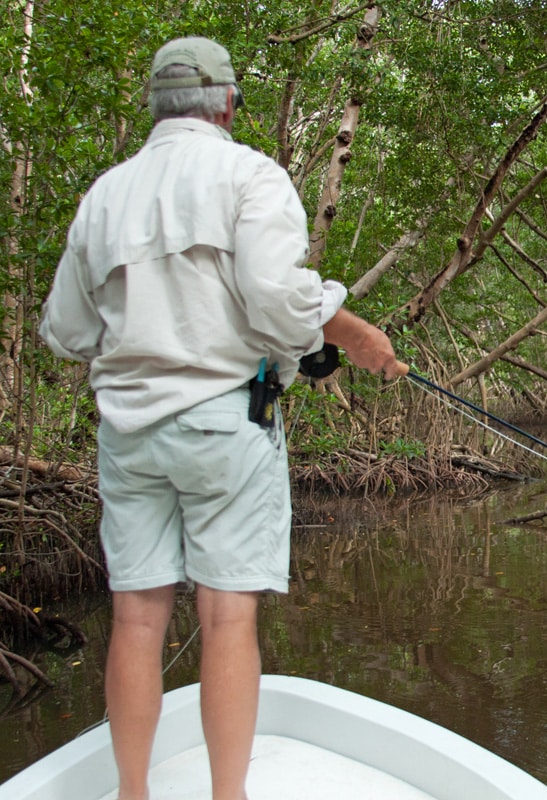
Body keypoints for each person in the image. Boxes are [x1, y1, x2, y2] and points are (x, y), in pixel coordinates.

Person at [38, 36, 407, 800]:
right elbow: (277, 298)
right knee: (227, 621)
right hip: (223, 428)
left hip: (128, 435)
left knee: (137, 621)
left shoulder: (104, 195)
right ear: (228, 104)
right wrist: (358, 336)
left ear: (154, 105)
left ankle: (133, 795)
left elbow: (67, 332)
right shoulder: (249, 174)